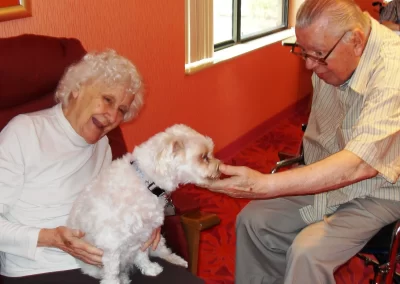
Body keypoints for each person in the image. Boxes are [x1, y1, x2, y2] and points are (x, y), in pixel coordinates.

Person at [203, 0, 400, 283]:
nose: (309, 65)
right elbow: (322, 140)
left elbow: (360, 165)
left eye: (318, 55)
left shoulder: (393, 71)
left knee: (308, 252)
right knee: (252, 222)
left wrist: (263, 184)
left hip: (379, 188)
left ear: (356, 41)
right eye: (304, 52)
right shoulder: (331, 53)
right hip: (329, 174)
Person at [0, 50, 203, 284]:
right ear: (77, 88)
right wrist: (52, 238)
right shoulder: (25, 133)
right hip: (43, 268)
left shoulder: (102, 144)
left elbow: (119, 203)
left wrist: (148, 223)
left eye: (122, 110)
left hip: (109, 260)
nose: (112, 116)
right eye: (108, 100)